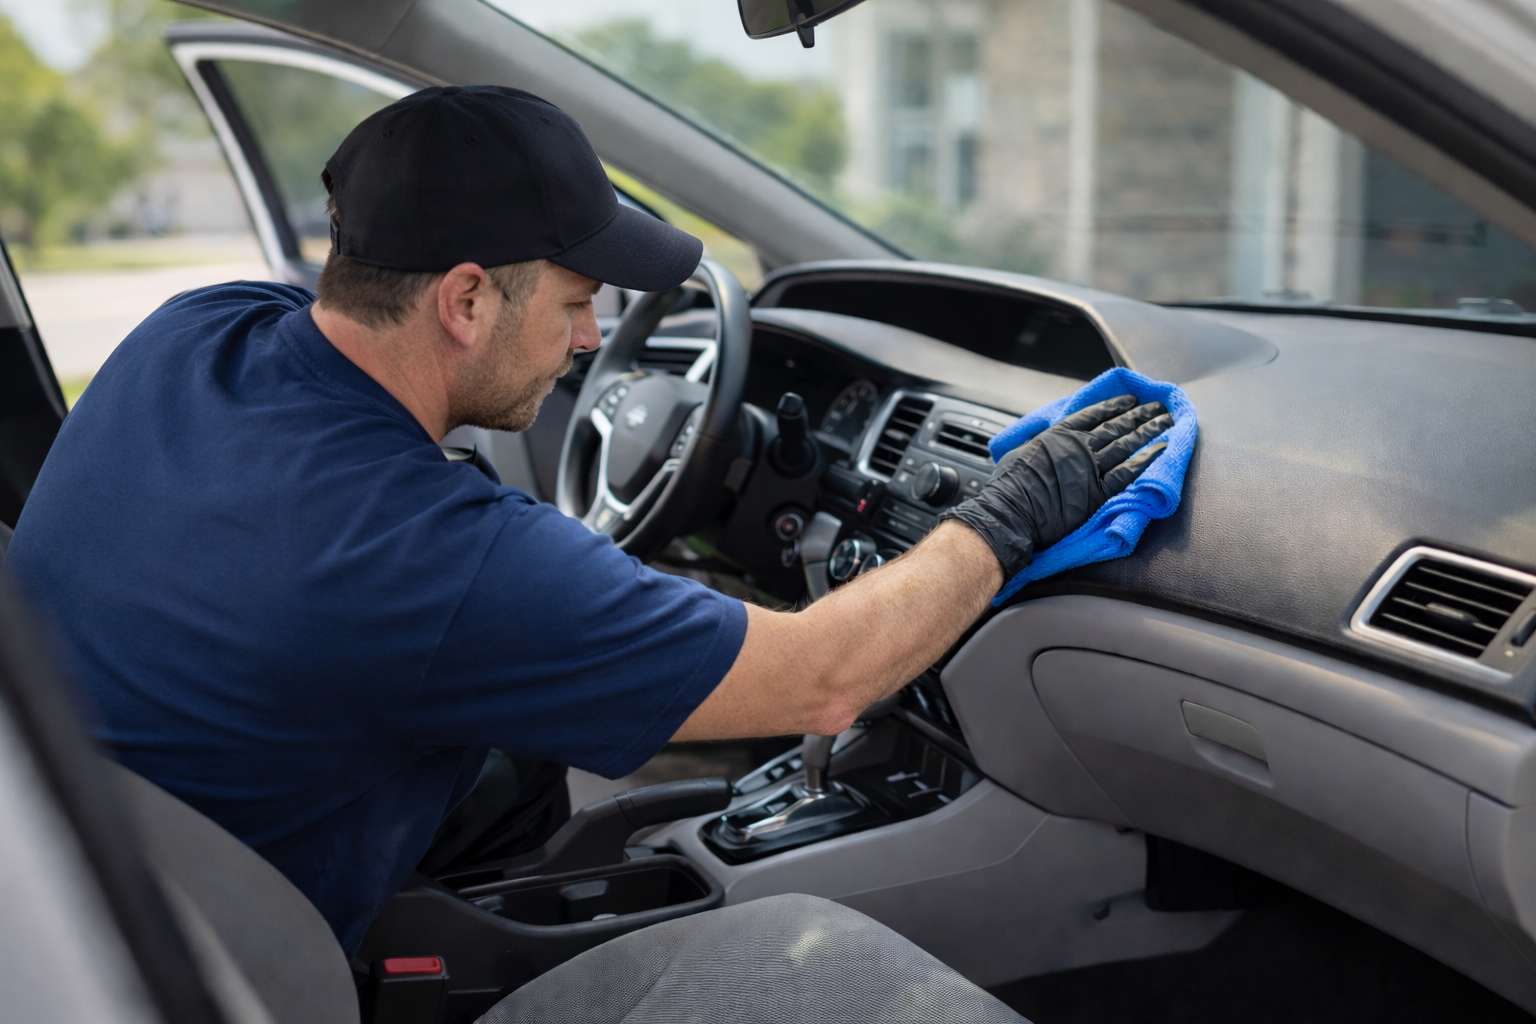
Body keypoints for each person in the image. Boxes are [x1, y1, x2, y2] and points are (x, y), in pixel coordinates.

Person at [2, 85, 1169, 955]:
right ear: (464, 298)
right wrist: (1015, 504)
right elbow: (824, 681)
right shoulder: (430, 556)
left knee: (522, 771)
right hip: (234, 960)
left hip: (102, 892)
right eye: (574, 301)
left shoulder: (196, 329)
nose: (585, 338)